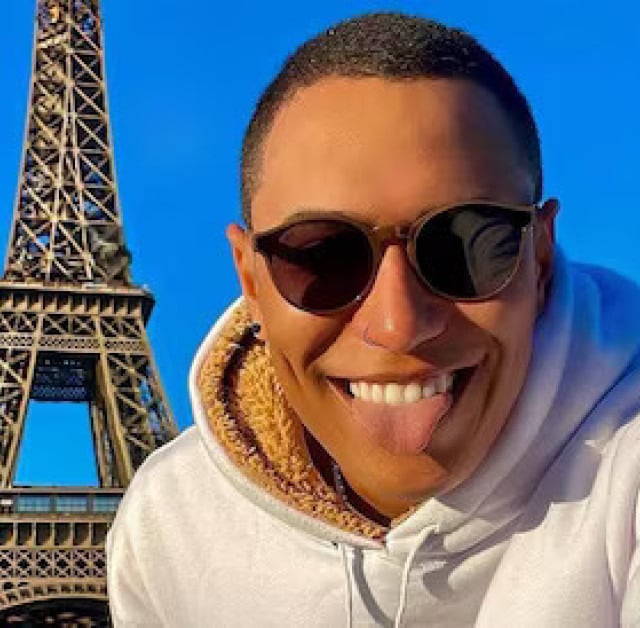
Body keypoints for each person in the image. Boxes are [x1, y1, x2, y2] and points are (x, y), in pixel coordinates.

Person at [106, 12, 640, 627]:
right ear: (249, 279)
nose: (397, 324)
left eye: (463, 246)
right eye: (322, 255)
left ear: (540, 259)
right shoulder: (166, 526)